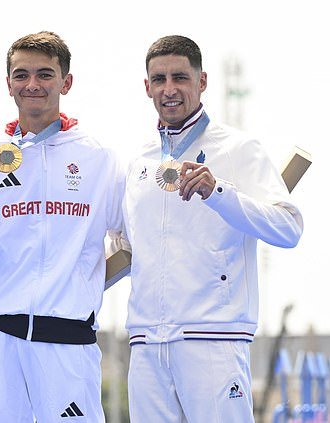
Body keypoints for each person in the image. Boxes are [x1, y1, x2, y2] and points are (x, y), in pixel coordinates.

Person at [0, 31, 124, 422]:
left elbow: (133, 242)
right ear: (8, 84)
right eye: (21, 75)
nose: (32, 84)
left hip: (68, 342)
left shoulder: (99, 158)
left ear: (66, 82)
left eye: (45, 74)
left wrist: (80, 279)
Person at [121, 35, 304, 422]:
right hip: (146, 345)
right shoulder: (138, 162)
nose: (169, 90)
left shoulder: (239, 148)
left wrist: (218, 192)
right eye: (159, 79)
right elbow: (122, 247)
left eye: (179, 78)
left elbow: (288, 228)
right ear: (147, 86)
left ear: (201, 81)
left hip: (213, 340)